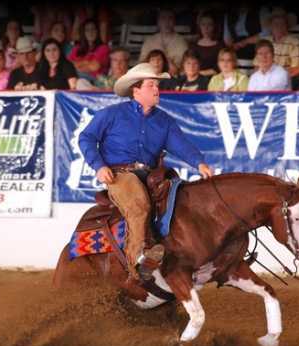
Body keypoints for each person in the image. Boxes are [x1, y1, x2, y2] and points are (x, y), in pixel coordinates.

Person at [78, 63, 213, 281]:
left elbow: (182, 145)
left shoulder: (164, 121)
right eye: (151, 85)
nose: (157, 89)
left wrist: (199, 163)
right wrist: (99, 166)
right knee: (138, 204)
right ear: (136, 90)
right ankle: (137, 262)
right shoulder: (111, 114)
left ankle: (183, 257)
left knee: (181, 201)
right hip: (119, 174)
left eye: (157, 85)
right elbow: (86, 137)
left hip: (150, 175)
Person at [139, 9, 188, 76]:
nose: (167, 22)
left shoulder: (181, 42)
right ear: (158, 22)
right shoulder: (150, 40)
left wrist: (165, 55)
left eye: (170, 18)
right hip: (151, 75)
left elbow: (180, 69)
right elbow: (141, 63)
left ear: (174, 22)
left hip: (174, 77)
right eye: (163, 18)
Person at [190, 11, 225, 77]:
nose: (206, 28)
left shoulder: (220, 46)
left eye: (210, 24)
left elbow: (219, 67)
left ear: (214, 26)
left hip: (215, 79)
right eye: (203, 24)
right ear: (199, 26)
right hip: (196, 78)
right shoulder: (193, 46)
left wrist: (200, 74)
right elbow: (190, 63)